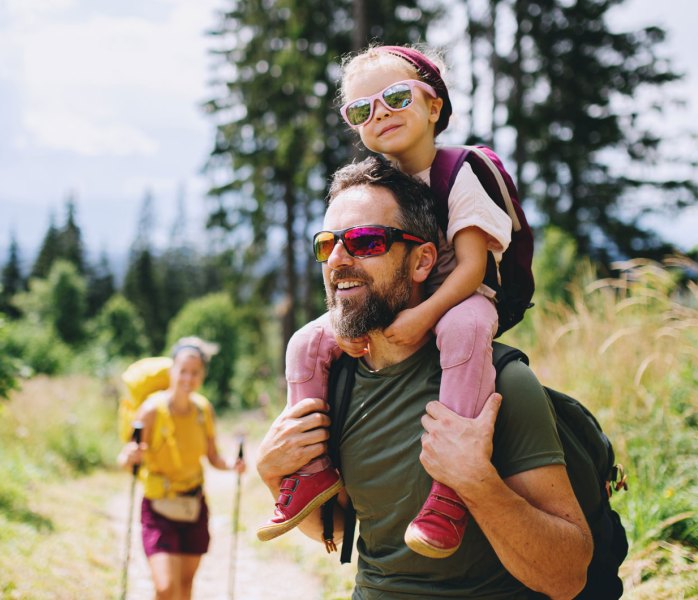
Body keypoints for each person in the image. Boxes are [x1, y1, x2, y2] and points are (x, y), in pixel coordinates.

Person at [256, 158, 592, 598]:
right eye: (327, 244)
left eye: (366, 241)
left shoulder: (502, 385)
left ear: (422, 261)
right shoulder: (335, 382)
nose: (338, 259)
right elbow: (339, 529)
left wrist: (477, 483)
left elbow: (567, 577)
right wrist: (272, 474)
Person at [258, 43, 513, 561]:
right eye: (361, 109)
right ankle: (310, 470)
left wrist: (422, 315)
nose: (380, 114)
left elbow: (472, 267)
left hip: (464, 296)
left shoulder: (460, 172)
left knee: (462, 329)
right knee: (307, 341)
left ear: (434, 105)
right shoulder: (383, 182)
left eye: (396, 97)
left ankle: (450, 486)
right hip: (404, 299)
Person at [117, 336, 246, 600]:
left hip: (193, 507)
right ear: (172, 371)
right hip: (158, 508)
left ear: (202, 375)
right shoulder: (151, 410)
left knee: (185, 587)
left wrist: (232, 465)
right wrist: (130, 456)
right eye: (183, 371)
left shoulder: (203, 410)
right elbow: (125, 458)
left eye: (195, 372)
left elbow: (213, 457)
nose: (188, 378)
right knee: (166, 587)